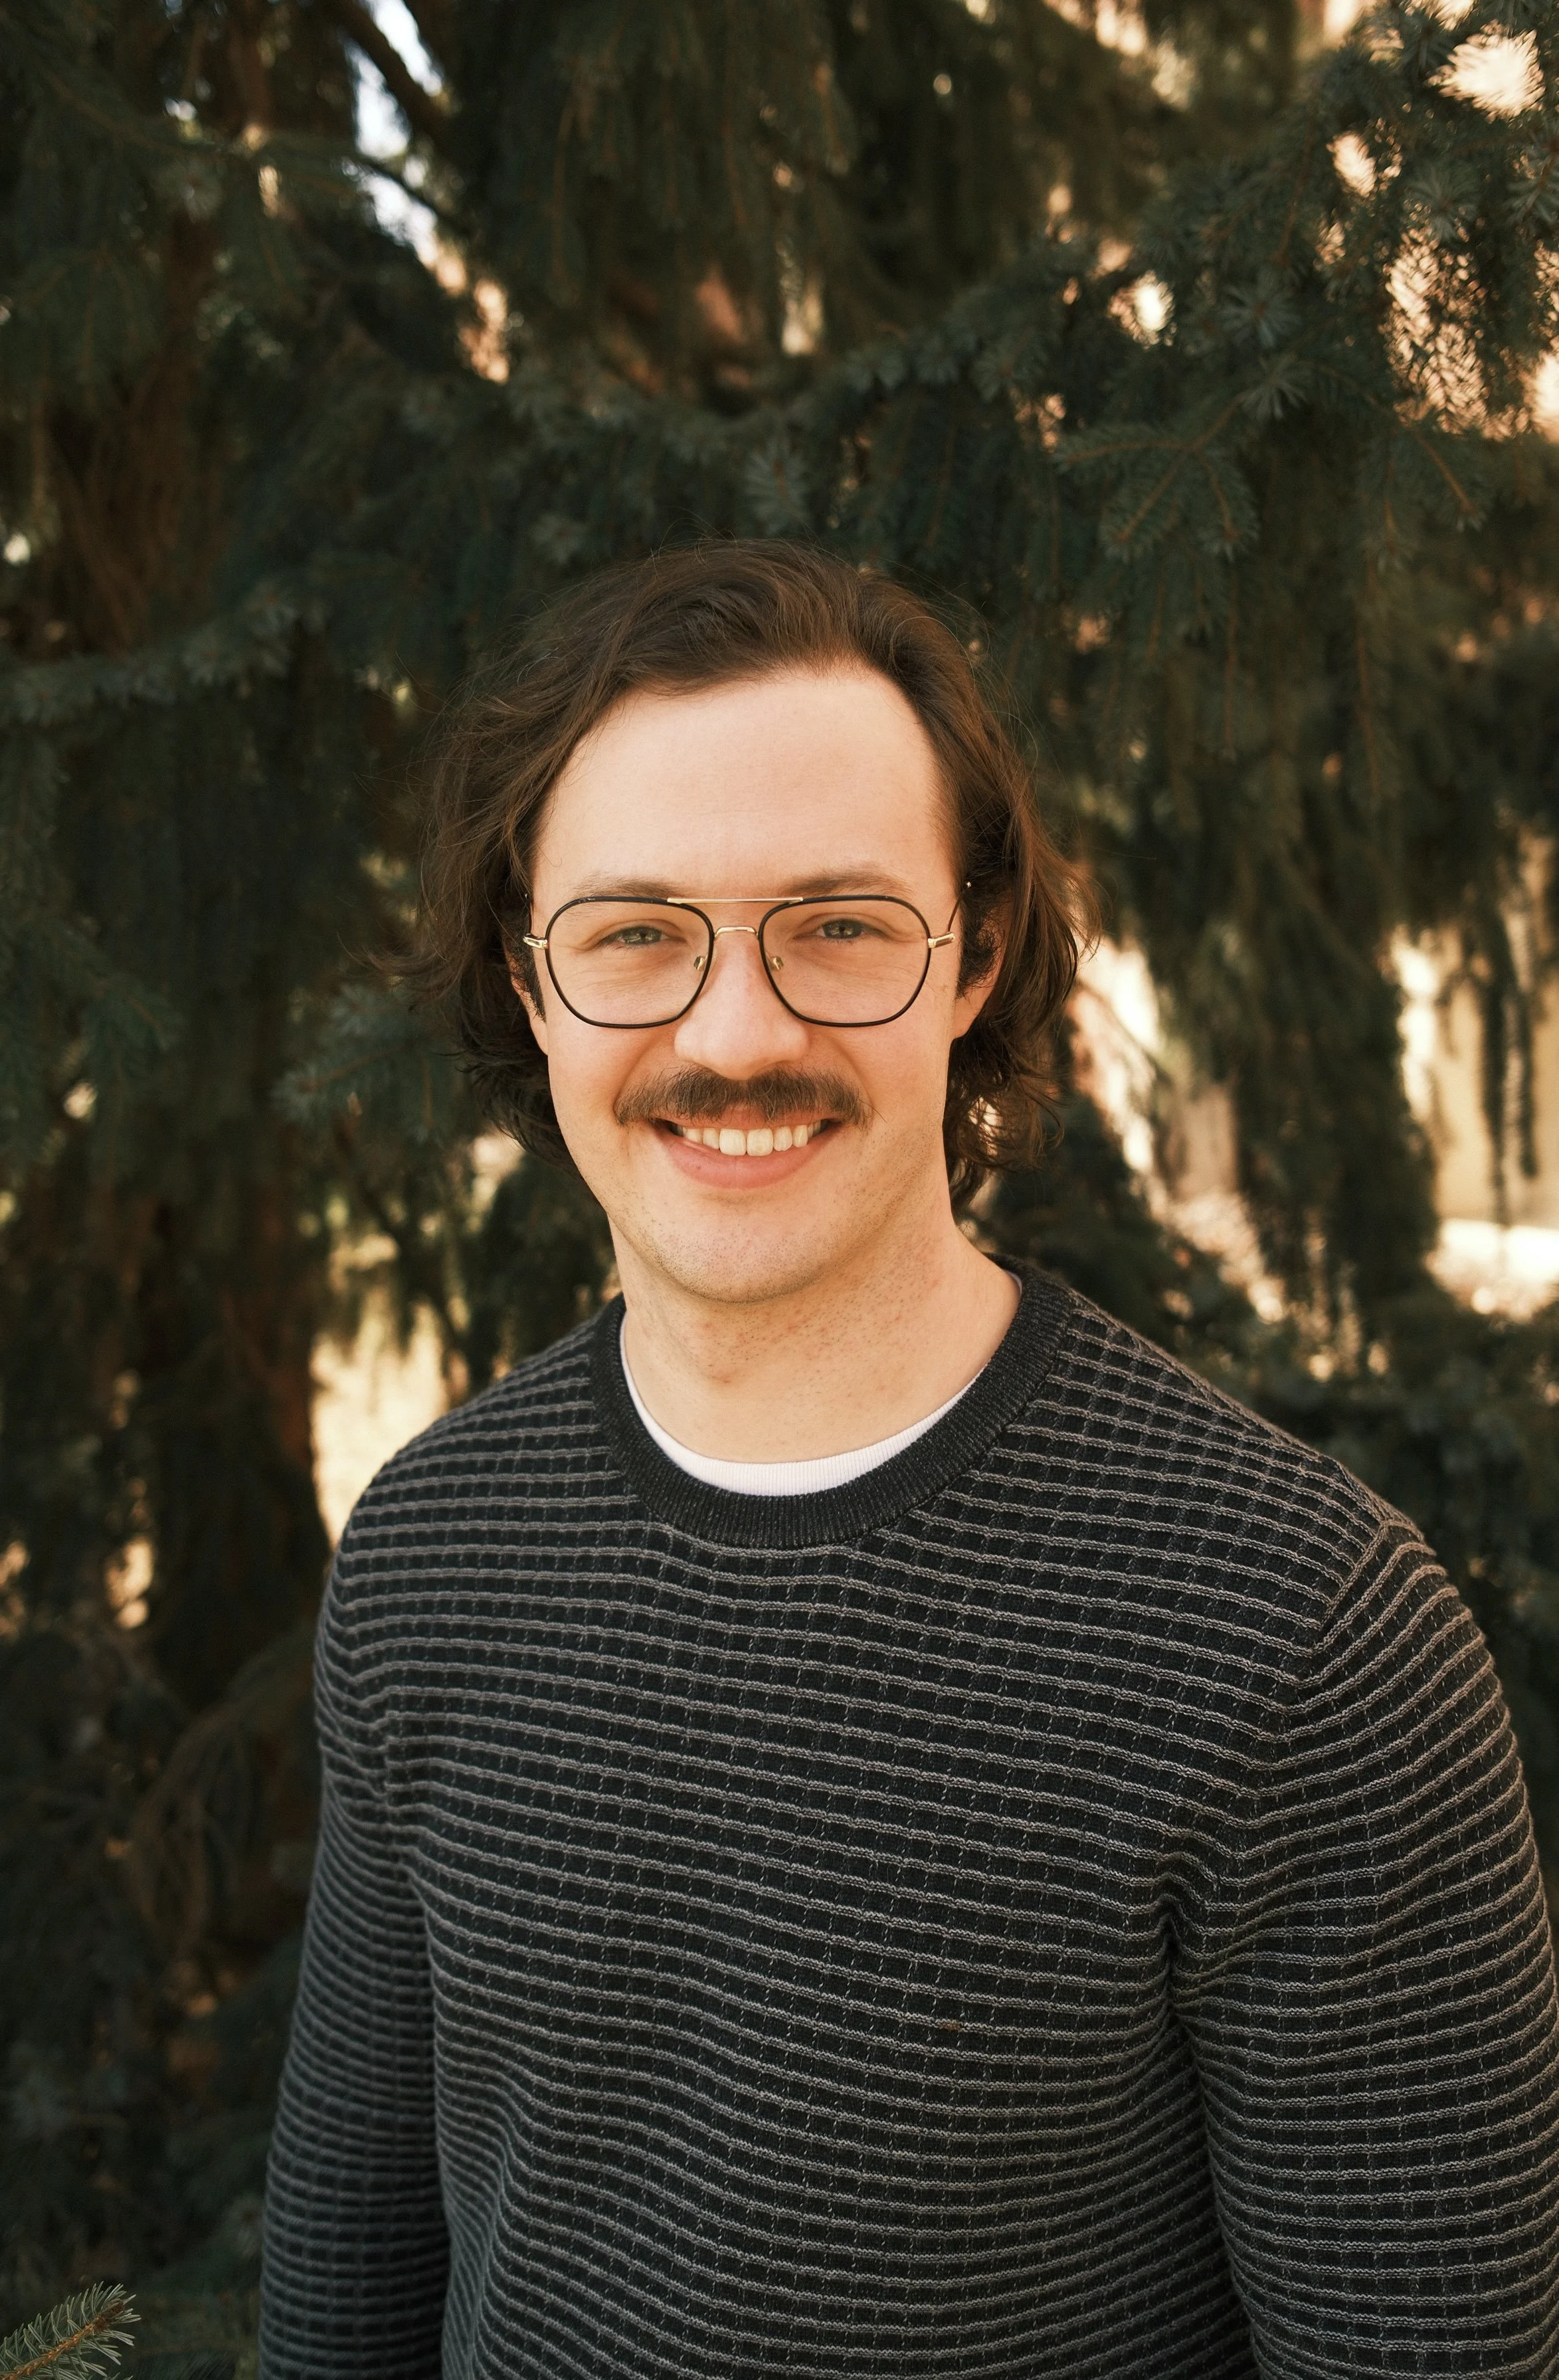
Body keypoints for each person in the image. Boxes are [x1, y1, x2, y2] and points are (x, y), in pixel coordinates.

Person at [260, 542, 1559, 2379]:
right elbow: (348, 2286)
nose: (734, 1033)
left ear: (980, 957)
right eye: (635, 933)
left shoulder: (1300, 1641)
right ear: (528, 981)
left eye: (841, 927)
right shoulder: (433, 1551)